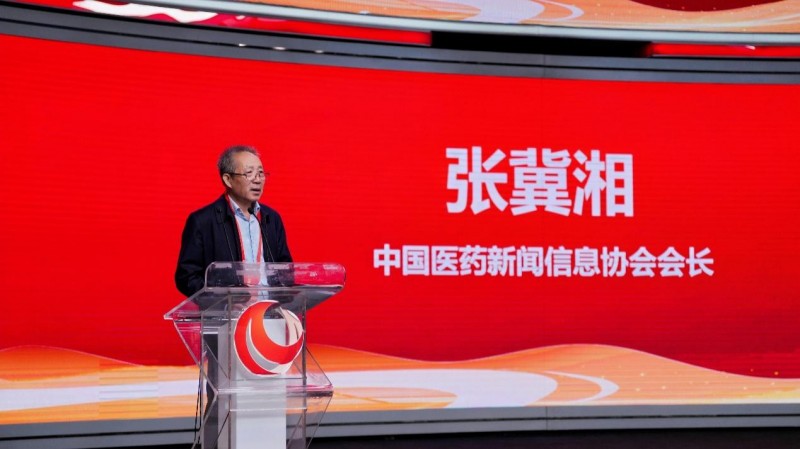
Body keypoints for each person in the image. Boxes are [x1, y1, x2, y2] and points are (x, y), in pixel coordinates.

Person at [175, 145, 292, 297]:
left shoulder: (272, 219)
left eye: (261, 173)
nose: (257, 180)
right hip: (227, 310)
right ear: (228, 180)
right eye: (249, 173)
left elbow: (286, 271)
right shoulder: (203, 221)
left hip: (268, 309)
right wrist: (221, 301)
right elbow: (187, 277)